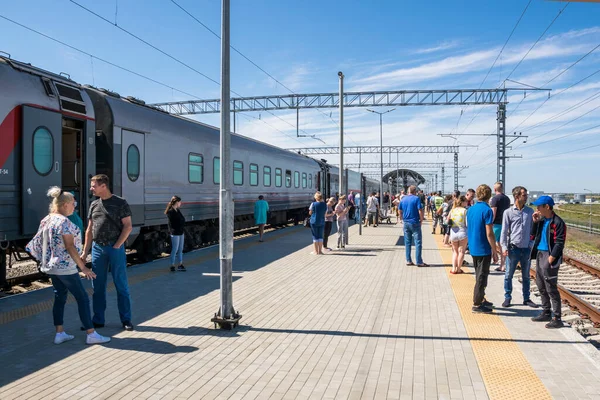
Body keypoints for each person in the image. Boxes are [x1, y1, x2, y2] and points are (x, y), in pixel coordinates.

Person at [26, 187, 110, 345]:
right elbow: (70, 247)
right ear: (64, 204)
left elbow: (38, 242)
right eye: (73, 203)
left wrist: (43, 260)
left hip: (51, 267)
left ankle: (59, 333)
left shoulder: (47, 219)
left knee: (60, 297)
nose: (75, 206)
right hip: (65, 267)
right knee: (83, 298)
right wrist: (83, 268)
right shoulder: (64, 222)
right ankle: (91, 334)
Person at [82, 174, 134, 331]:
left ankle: (126, 320)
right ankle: (98, 320)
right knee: (97, 286)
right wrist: (85, 253)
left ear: (103, 186)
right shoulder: (93, 205)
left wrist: (118, 245)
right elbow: (89, 230)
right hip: (98, 249)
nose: (91, 188)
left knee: (121, 285)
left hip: (114, 248)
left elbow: (128, 226)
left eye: (93, 186)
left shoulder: (120, 203)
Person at [530, 196, 566, 329]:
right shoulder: (542, 220)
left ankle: (557, 317)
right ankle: (546, 311)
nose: (537, 208)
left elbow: (559, 242)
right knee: (540, 284)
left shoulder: (557, 222)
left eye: (539, 206)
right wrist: (534, 222)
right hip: (540, 253)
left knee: (550, 286)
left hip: (549, 256)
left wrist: (551, 258)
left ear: (547, 207)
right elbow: (532, 236)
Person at [500, 186, 537, 308]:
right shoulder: (508, 212)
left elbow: (533, 230)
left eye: (526, 195)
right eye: (524, 195)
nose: (526, 197)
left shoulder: (530, 211)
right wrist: (504, 247)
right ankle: (507, 297)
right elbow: (504, 232)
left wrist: (531, 244)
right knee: (508, 275)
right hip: (513, 248)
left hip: (526, 248)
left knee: (526, 276)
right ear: (517, 196)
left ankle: (526, 298)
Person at [466, 184, 498, 313]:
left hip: (473, 246)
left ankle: (481, 297)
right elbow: (489, 233)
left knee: (479, 274)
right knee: (482, 276)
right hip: (483, 248)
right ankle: (477, 304)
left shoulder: (471, 209)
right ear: (489, 196)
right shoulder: (487, 210)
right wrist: (494, 250)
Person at [398, 185, 428, 267]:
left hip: (406, 223)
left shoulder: (403, 199)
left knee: (407, 242)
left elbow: (399, 210)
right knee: (418, 242)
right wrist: (421, 220)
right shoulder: (416, 199)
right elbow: (420, 210)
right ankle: (419, 261)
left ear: (408, 191)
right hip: (415, 222)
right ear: (415, 191)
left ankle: (408, 260)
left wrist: (401, 219)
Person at [490, 182, 511, 272]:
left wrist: (490, 222)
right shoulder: (507, 199)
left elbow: (493, 212)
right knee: (502, 244)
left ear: (495, 190)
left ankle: (490, 261)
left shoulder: (495, 199)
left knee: (491, 243)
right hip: (505, 224)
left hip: (496, 224)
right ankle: (503, 265)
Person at [165, 196, 186, 272]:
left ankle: (180, 264)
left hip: (180, 232)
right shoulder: (170, 212)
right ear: (177, 202)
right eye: (180, 202)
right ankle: (172, 265)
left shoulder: (177, 210)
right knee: (175, 249)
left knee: (180, 249)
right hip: (175, 233)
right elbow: (173, 223)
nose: (181, 203)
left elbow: (182, 219)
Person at [449, 195, 468, 274]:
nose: (467, 203)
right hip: (462, 232)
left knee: (455, 252)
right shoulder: (464, 210)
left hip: (453, 232)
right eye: (466, 201)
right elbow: (467, 223)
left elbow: (448, 220)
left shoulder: (452, 210)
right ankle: (459, 269)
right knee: (461, 252)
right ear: (463, 202)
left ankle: (453, 269)